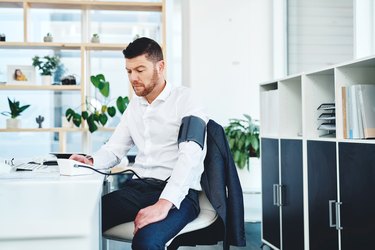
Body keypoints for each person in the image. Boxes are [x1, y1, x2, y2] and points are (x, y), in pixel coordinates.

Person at [70, 37, 208, 249]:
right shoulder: (135, 106)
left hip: (178, 194)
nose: (133, 77)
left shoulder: (186, 100)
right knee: (79, 220)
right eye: (128, 71)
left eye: (140, 70)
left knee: (146, 241)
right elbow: (114, 149)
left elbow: (190, 156)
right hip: (138, 188)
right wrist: (91, 161)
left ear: (160, 67)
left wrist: (164, 203)